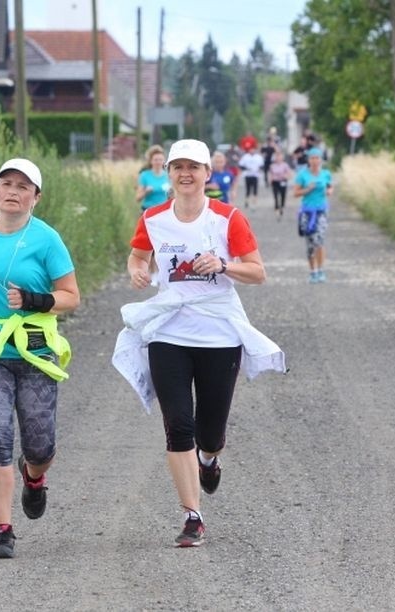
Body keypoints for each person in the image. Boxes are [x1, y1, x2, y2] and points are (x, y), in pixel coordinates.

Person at [112, 139, 286, 548]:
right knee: (178, 425)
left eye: (194, 167)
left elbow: (258, 272)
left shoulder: (227, 218)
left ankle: (210, 459)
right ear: (168, 173)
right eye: (178, 167)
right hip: (168, 331)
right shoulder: (153, 218)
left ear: (208, 174)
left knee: (209, 432)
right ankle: (193, 516)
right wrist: (138, 271)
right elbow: (138, 256)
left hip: (218, 334)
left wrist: (223, 265)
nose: (185, 174)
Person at [0, 158, 81, 559]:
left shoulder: (46, 239)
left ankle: (34, 477)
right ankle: (2, 530)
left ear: (36, 198)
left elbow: (72, 296)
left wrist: (34, 300)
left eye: (23, 187)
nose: (13, 191)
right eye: (6, 183)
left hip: (36, 350)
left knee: (40, 445)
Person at [292, 147, 333, 283]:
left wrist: (329, 191)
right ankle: (313, 272)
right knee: (310, 243)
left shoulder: (326, 174)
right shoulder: (302, 174)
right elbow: (295, 193)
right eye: (312, 158)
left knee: (319, 240)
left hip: (321, 210)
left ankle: (321, 270)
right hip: (307, 211)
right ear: (308, 160)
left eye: (317, 158)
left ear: (321, 160)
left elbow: (330, 186)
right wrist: (308, 189)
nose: (315, 161)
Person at [136, 145, 171, 210]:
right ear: (151, 161)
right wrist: (146, 192)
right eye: (156, 160)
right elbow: (138, 198)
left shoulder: (169, 175)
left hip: (164, 211)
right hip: (148, 210)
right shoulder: (144, 175)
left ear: (164, 161)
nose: (158, 162)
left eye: (160, 160)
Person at [268, 149, 293, 220]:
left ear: (282, 157)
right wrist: (270, 180)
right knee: (276, 197)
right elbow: (270, 173)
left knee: (283, 196)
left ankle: (281, 207)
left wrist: (286, 176)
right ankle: (277, 212)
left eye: (279, 157)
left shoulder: (285, 165)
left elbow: (290, 174)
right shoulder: (272, 166)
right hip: (275, 182)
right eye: (277, 157)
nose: (278, 158)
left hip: (283, 182)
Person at [238, 145, 264, 209]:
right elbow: (241, 165)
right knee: (248, 189)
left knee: (255, 189)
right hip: (248, 175)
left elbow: (262, 165)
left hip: (255, 175)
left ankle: (254, 202)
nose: (252, 151)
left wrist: (259, 169)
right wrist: (246, 168)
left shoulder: (258, 157)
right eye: (251, 149)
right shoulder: (245, 157)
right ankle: (247, 201)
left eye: (253, 149)